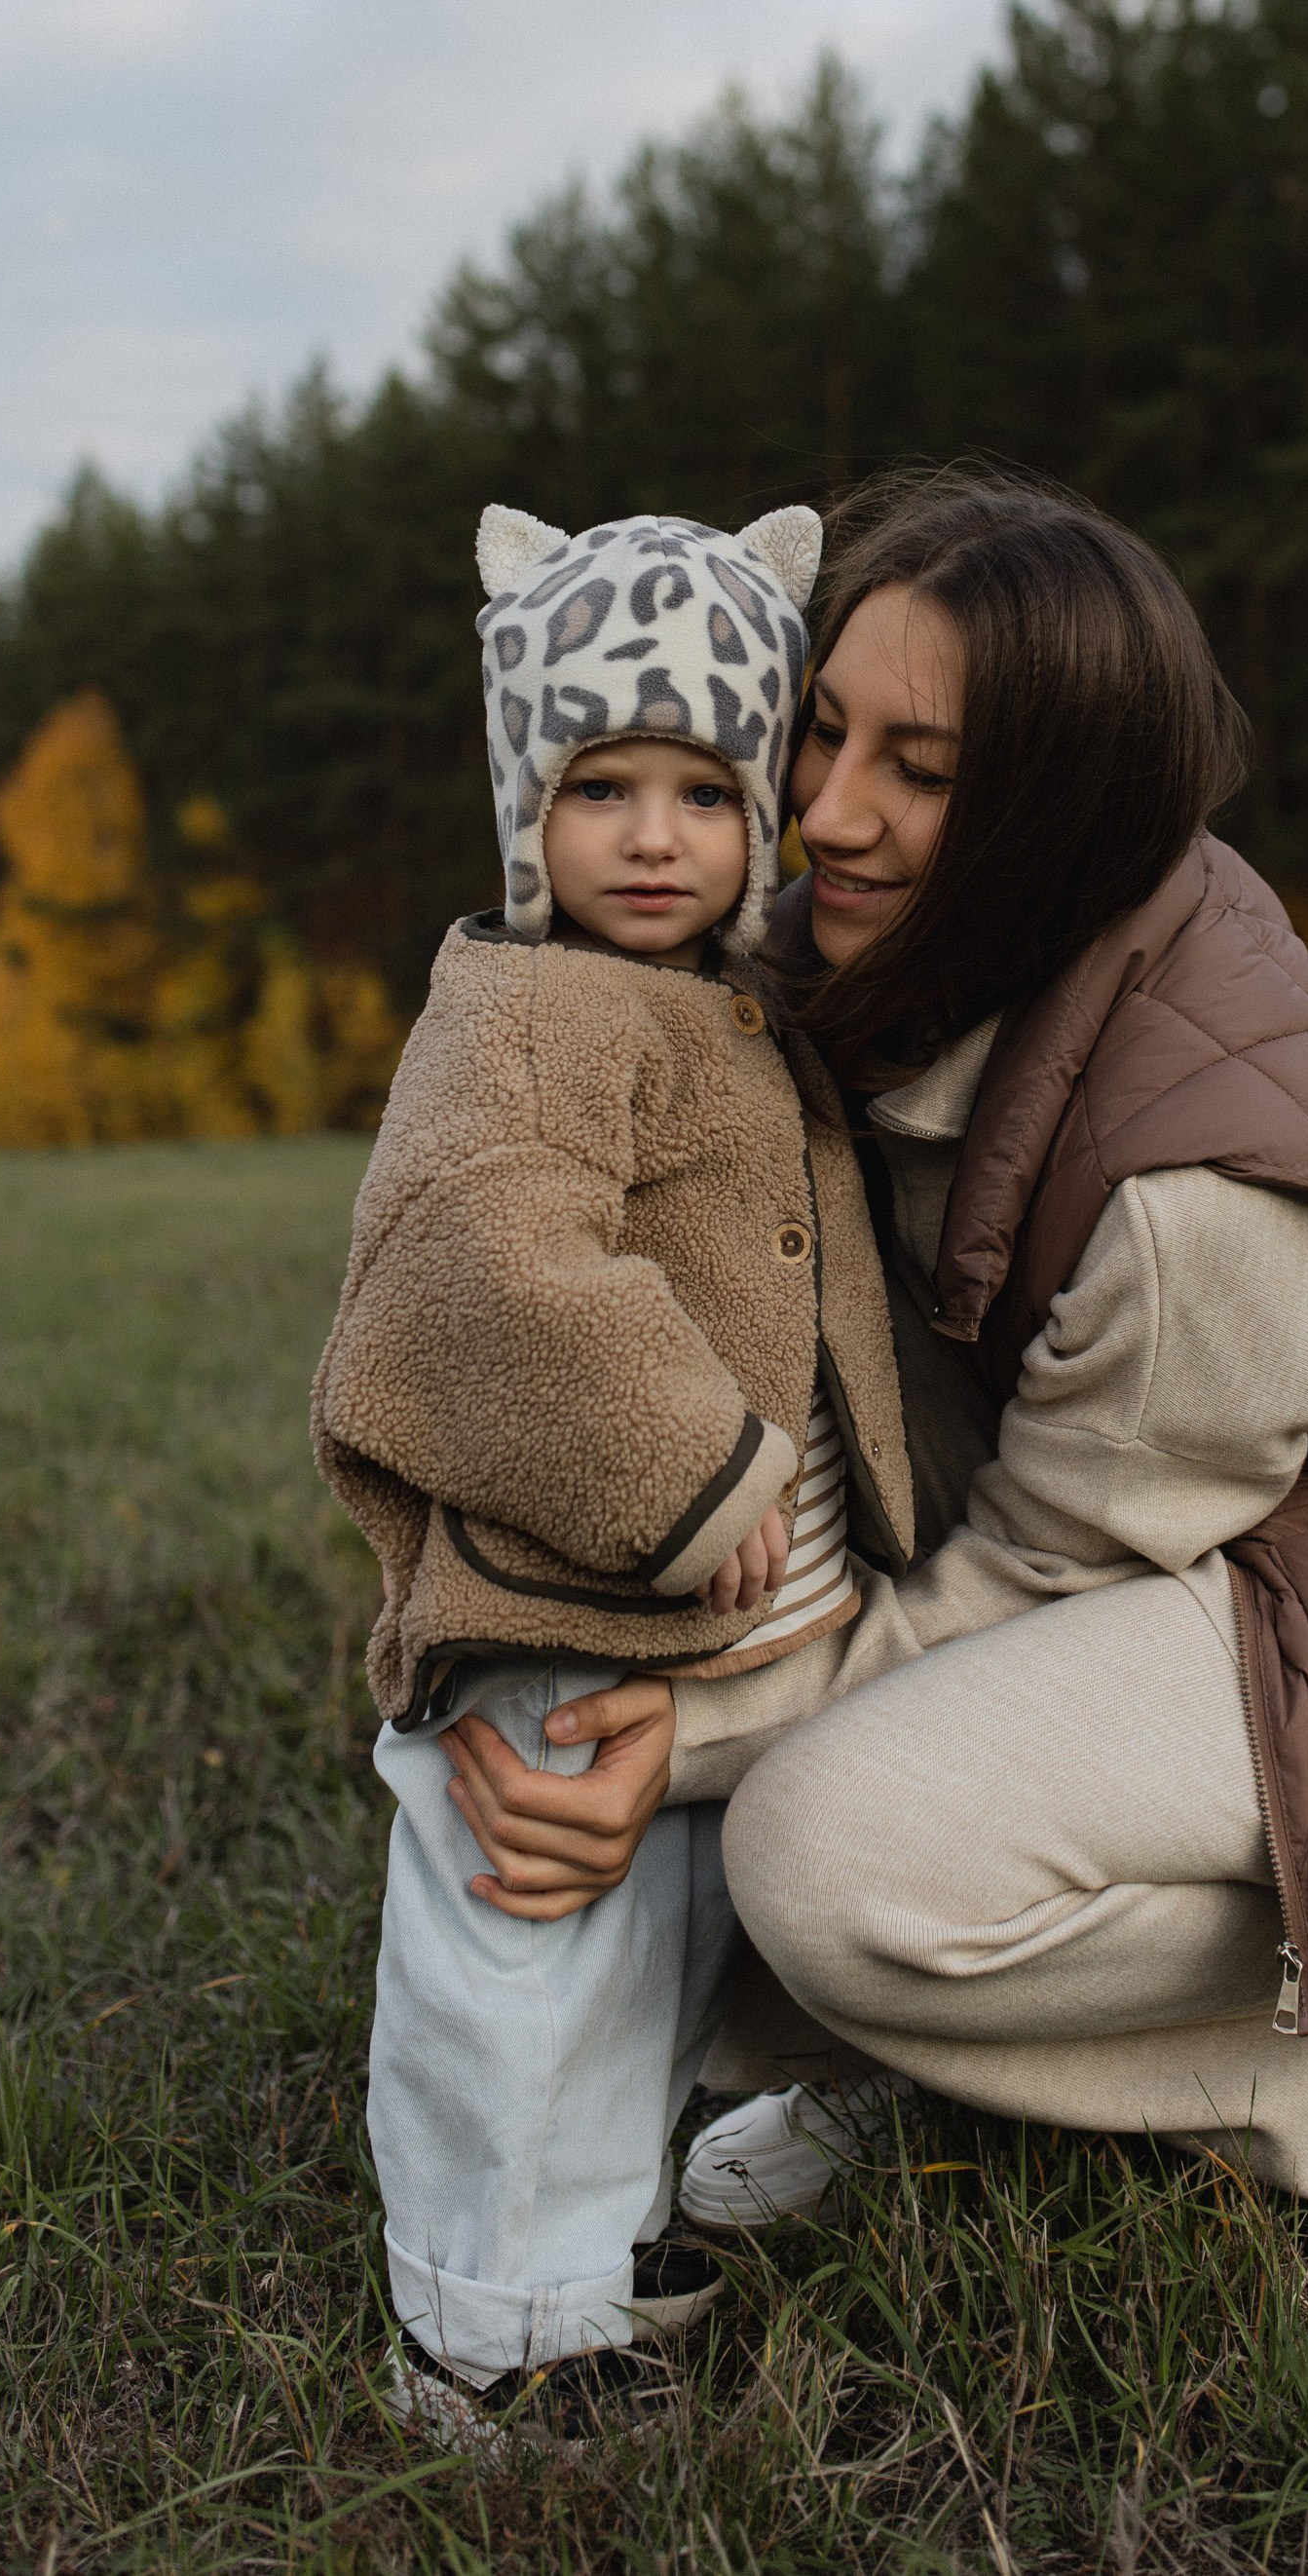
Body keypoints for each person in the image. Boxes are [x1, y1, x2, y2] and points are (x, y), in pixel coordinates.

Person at [451, 470, 1308, 2318]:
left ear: (1064, 815)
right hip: (1184, 1517)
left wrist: (686, 1746)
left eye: (926, 770)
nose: (825, 814)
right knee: (729, 1649)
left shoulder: (1219, 1207)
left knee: (828, 1857)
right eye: (821, 734)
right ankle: (943, 2040)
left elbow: (1037, 1569)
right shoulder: (857, 962)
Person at [312, 500, 914, 2449]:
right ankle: (493, 2333)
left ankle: (602, 2245)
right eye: (597, 786)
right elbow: (485, 1254)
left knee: (654, 1951)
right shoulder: (528, 1009)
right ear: (524, 804)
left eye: (702, 788)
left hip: (692, 1634)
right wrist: (691, 1465)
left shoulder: (733, 1014)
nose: (652, 838)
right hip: (564, 1607)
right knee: (530, 1972)